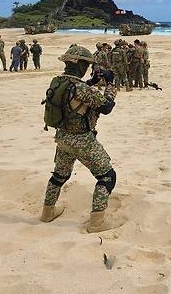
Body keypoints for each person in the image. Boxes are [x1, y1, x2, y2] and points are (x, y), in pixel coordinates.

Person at [39, 45, 118, 232]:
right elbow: (106, 107)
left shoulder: (57, 82)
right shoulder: (81, 88)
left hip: (63, 138)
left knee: (59, 176)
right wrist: (110, 85)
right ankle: (97, 223)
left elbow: (74, 95)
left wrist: (91, 82)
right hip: (82, 140)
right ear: (81, 65)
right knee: (107, 177)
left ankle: (47, 213)